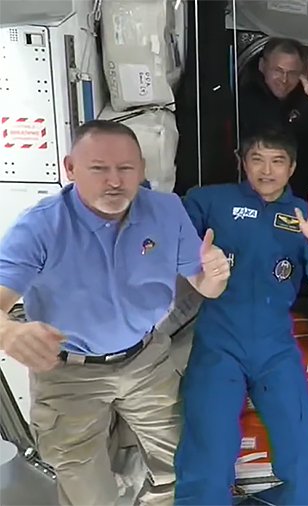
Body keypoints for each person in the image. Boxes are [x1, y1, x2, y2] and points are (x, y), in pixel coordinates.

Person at [0, 120, 230, 506]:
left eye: (125, 169)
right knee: (88, 492)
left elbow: (206, 283)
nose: (114, 181)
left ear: (141, 169)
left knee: (181, 468)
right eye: (98, 169)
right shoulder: (40, 227)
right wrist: (8, 332)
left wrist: (215, 275)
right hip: (67, 373)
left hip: (146, 361)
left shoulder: (166, 210)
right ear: (70, 168)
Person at [174, 130, 308, 505]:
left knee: (304, 461)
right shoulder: (210, 200)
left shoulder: (306, 216)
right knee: (208, 456)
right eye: (257, 159)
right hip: (219, 345)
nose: (266, 170)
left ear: (292, 167)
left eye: (277, 161)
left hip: (275, 348)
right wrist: (194, 256)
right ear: (243, 162)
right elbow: (171, 234)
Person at [239, 37, 308, 195]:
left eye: (292, 73)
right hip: (251, 190)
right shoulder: (244, 99)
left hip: (299, 192)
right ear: (262, 66)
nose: (284, 79)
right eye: (277, 71)